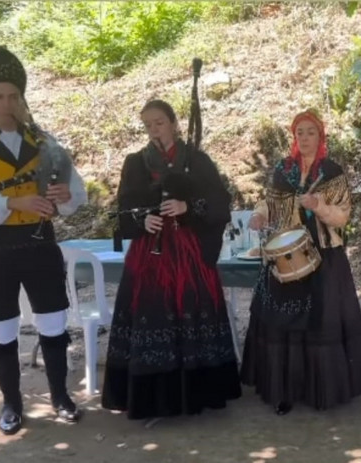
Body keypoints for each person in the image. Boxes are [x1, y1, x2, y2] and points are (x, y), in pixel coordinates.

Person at [0, 46, 88, 434]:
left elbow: (75, 189)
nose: (5, 103)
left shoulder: (44, 141)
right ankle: (11, 404)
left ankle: (60, 397)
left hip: (40, 243)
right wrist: (14, 200)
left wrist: (66, 196)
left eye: (13, 96)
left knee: (52, 324)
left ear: (22, 98)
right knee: (2, 330)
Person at [101, 100, 241, 420]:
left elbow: (220, 203)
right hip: (150, 256)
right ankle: (156, 400)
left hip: (189, 252)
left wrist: (187, 208)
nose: (154, 130)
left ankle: (198, 393)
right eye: (148, 125)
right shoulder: (135, 162)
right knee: (153, 313)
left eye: (159, 123)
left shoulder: (197, 160)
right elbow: (124, 207)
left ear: (174, 124)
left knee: (192, 311)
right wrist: (141, 222)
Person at [241, 109, 361, 415]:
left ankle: (323, 390)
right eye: (299, 133)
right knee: (285, 324)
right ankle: (285, 390)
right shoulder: (282, 169)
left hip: (325, 256)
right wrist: (260, 214)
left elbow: (343, 215)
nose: (304, 138)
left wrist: (320, 205)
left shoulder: (331, 172)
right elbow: (269, 202)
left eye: (310, 132)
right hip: (286, 254)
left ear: (321, 136)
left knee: (320, 322)